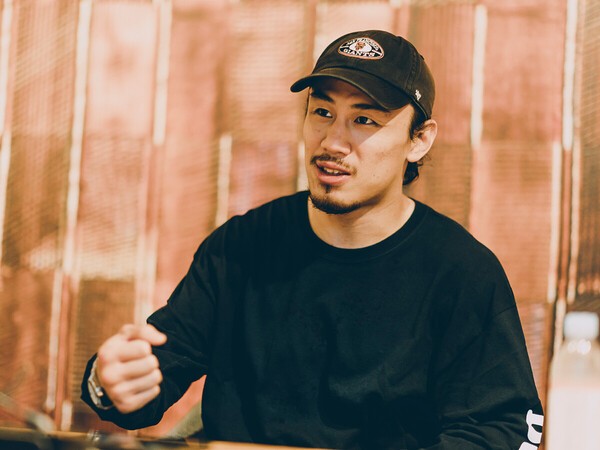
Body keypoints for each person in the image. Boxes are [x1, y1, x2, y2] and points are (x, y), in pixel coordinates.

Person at [81, 30, 544, 449]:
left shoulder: (461, 271)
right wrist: (109, 381)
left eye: (365, 120)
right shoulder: (241, 247)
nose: (333, 142)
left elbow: (504, 427)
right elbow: (150, 382)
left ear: (418, 140)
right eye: (323, 112)